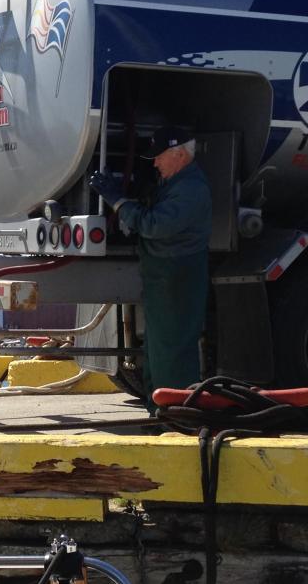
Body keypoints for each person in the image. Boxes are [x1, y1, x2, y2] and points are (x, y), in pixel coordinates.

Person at [89, 126, 212, 408]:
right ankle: (159, 409)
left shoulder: (191, 190)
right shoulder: (175, 184)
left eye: (159, 157)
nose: (155, 162)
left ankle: (176, 412)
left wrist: (117, 200)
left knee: (171, 349)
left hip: (177, 280)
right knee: (158, 349)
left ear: (180, 155)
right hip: (165, 278)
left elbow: (153, 225)